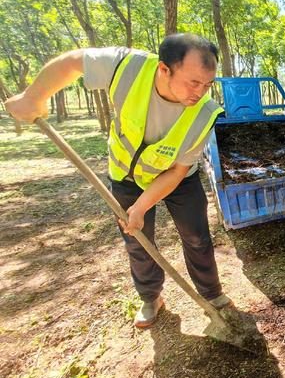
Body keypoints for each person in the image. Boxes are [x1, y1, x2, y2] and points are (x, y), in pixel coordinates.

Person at [6, 34, 234, 329]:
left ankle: (212, 294)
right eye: (193, 82)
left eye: (208, 84)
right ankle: (151, 297)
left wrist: (141, 205)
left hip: (178, 177)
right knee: (137, 239)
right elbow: (74, 62)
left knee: (197, 237)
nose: (201, 92)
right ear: (164, 69)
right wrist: (33, 97)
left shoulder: (204, 112)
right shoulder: (128, 67)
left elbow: (176, 172)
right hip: (126, 173)